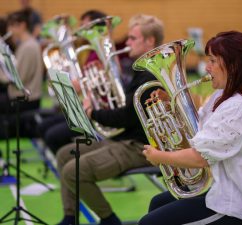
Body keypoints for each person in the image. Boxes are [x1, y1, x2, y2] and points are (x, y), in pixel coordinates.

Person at [139, 31, 242, 225]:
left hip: (239, 207)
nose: (207, 67)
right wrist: (171, 102)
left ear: (233, 66)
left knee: (150, 222)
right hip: (227, 191)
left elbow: (199, 158)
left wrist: (159, 157)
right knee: (158, 202)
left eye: (213, 61)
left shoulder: (239, 107)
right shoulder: (226, 95)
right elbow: (200, 126)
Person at [55, 14, 164, 225]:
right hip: (124, 138)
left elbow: (126, 117)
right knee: (64, 155)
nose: (126, 42)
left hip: (140, 147)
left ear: (150, 41)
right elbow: (126, 110)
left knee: (72, 170)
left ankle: (109, 220)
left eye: (132, 38)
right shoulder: (140, 69)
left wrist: (93, 113)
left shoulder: (150, 74)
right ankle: (70, 217)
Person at [37, 9, 107, 154]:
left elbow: (82, 86)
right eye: (81, 25)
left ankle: (74, 164)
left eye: (85, 26)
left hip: (97, 112)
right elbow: (82, 81)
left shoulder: (100, 52)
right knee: (45, 127)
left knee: (51, 134)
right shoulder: (89, 51)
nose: (80, 30)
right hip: (85, 108)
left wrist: (65, 84)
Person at [0, 9, 43, 138]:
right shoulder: (25, 44)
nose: (9, 30)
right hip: (23, 96)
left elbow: (18, 80)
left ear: (22, 25)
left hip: (25, 99)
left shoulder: (28, 46)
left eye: (12, 26)